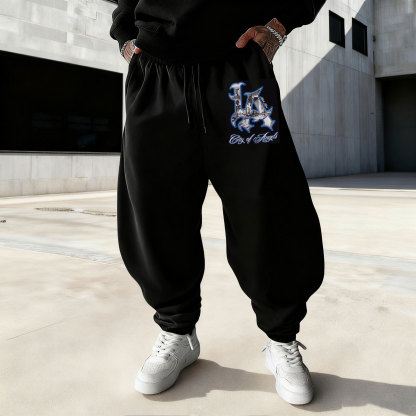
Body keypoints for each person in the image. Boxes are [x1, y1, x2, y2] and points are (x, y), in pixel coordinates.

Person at [110, 0, 327, 405]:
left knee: (267, 205)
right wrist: (125, 35)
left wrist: (279, 25)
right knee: (156, 209)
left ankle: (281, 338)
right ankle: (177, 331)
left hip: (238, 68)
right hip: (156, 71)